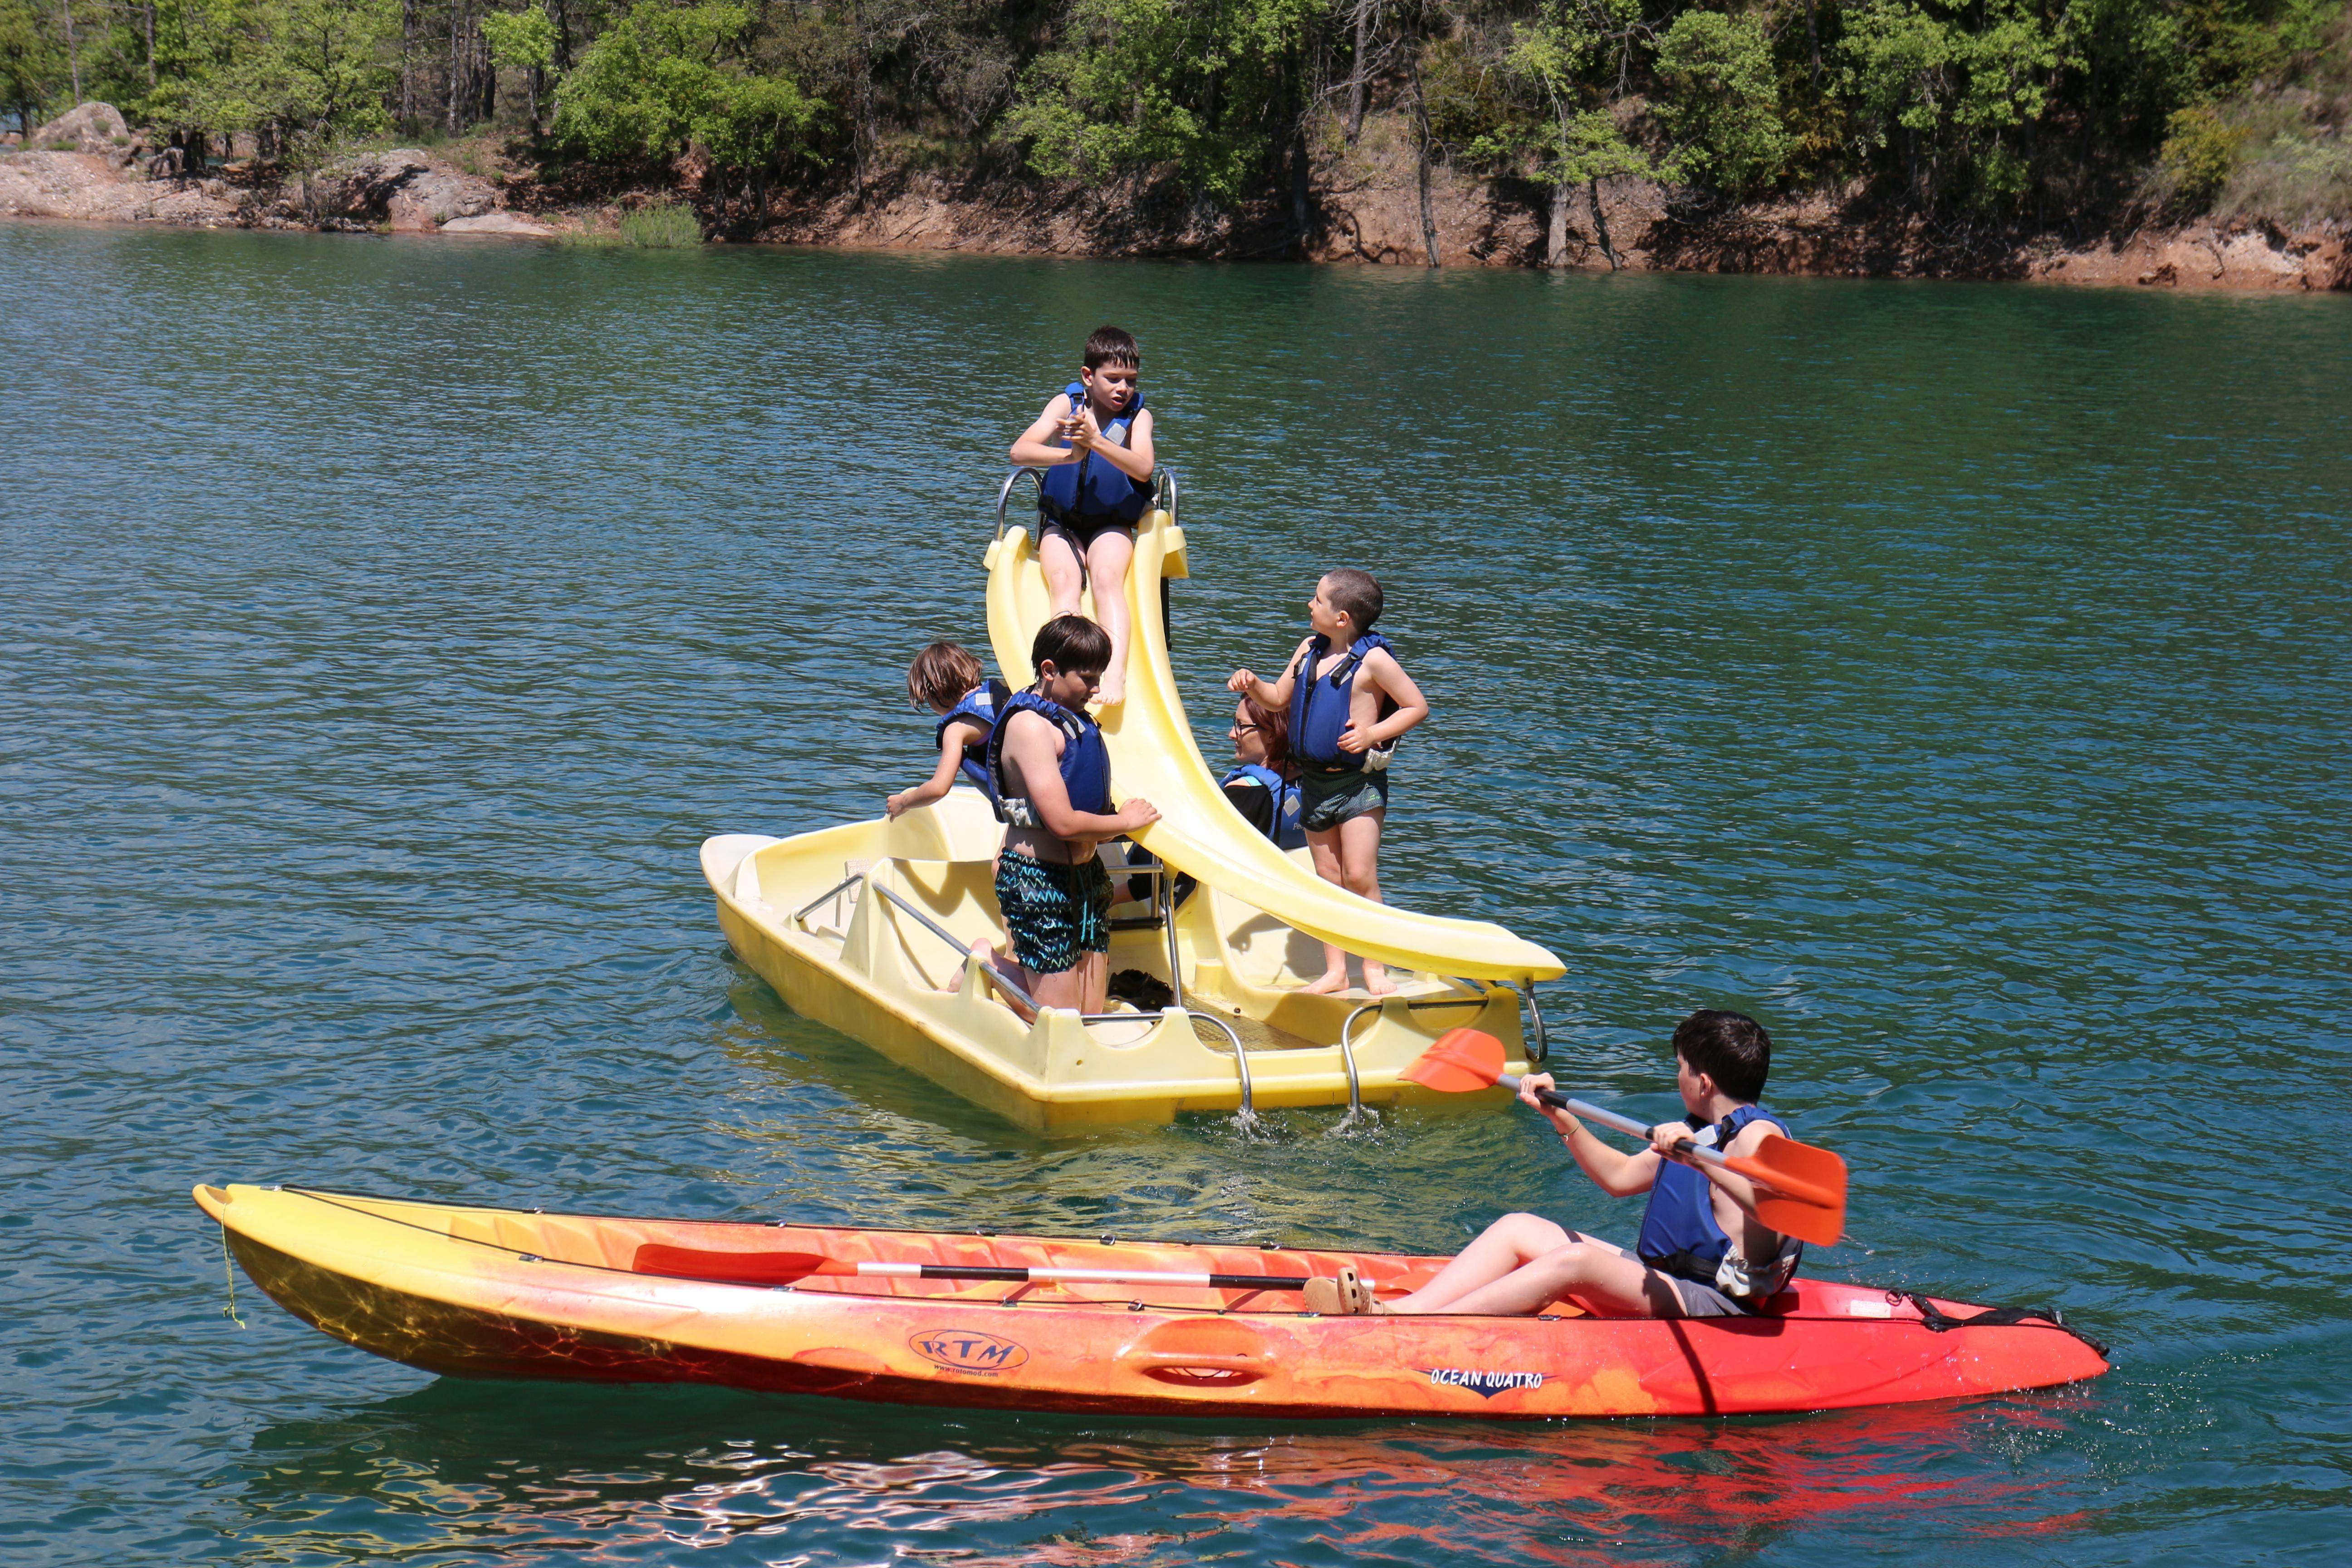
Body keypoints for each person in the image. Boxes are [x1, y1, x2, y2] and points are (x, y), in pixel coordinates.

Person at [1304, 1010, 1804, 1318]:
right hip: (1668, 1277)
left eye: (1680, 1068)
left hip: (1716, 1303)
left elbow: (1775, 1213)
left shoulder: (1759, 1138)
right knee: (1519, 1227)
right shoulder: (1702, 1133)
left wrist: (1702, 1163)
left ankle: (1422, 1327)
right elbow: (1617, 1178)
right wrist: (1559, 1115)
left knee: (1578, 1263)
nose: (1678, 1079)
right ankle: (1403, 1309)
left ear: (1704, 1082)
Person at [1227, 568, 1427, 995]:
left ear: (1342, 618)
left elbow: (1416, 706)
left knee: (1359, 875)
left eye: (1317, 600)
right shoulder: (1307, 650)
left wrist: (1373, 734)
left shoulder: (1373, 661)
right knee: (1327, 876)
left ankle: (1374, 968)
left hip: (1358, 785)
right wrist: (1252, 683)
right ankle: (1335, 971)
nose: (1309, 605)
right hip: (1314, 785)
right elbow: (1279, 698)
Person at [975, 614, 1160, 1018]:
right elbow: (1061, 822)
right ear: (1049, 670)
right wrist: (1126, 823)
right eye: (1088, 679)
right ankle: (985, 960)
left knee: (1089, 1012)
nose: (1096, 691)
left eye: (1100, 679)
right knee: (1057, 1018)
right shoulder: (1029, 727)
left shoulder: (1076, 721)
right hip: (1038, 877)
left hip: (1087, 876)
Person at [1009, 326, 1156, 709]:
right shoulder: (1066, 404)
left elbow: (1143, 469)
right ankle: (1066, 666)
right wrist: (1069, 456)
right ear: (1088, 377)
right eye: (1113, 379)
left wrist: (1096, 442)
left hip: (1111, 523)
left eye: (1131, 380)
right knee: (1064, 581)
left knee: (1107, 578)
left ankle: (1114, 672)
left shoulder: (1140, 417)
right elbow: (1020, 451)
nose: (1123, 388)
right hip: (1063, 523)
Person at [886, 641, 1009, 820]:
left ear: (932, 692)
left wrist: (903, 802)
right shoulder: (1002, 692)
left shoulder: (956, 730)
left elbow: (939, 788)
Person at [1221, 692, 1305, 850]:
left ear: (1272, 735)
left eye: (1240, 725)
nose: (1232, 734)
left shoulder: (1242, 793)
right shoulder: (1318, 787)